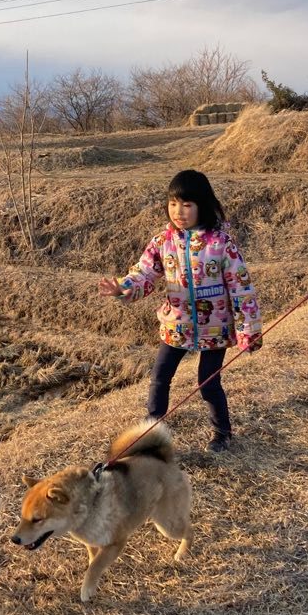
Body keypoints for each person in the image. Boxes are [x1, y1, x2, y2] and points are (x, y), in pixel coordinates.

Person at [99, 170, 262, 453]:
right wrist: (123, 287)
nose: (179, 212)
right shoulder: (162, 241)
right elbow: (144, 273)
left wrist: (248, 328)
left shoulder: (221, 243)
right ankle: (152, 430)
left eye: (187, 205)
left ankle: (222, 432)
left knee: (208, 383)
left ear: (202, 205)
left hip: (216, 326)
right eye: (173, 204)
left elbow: (241, 287)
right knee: (160, 376)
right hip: (176, 323)